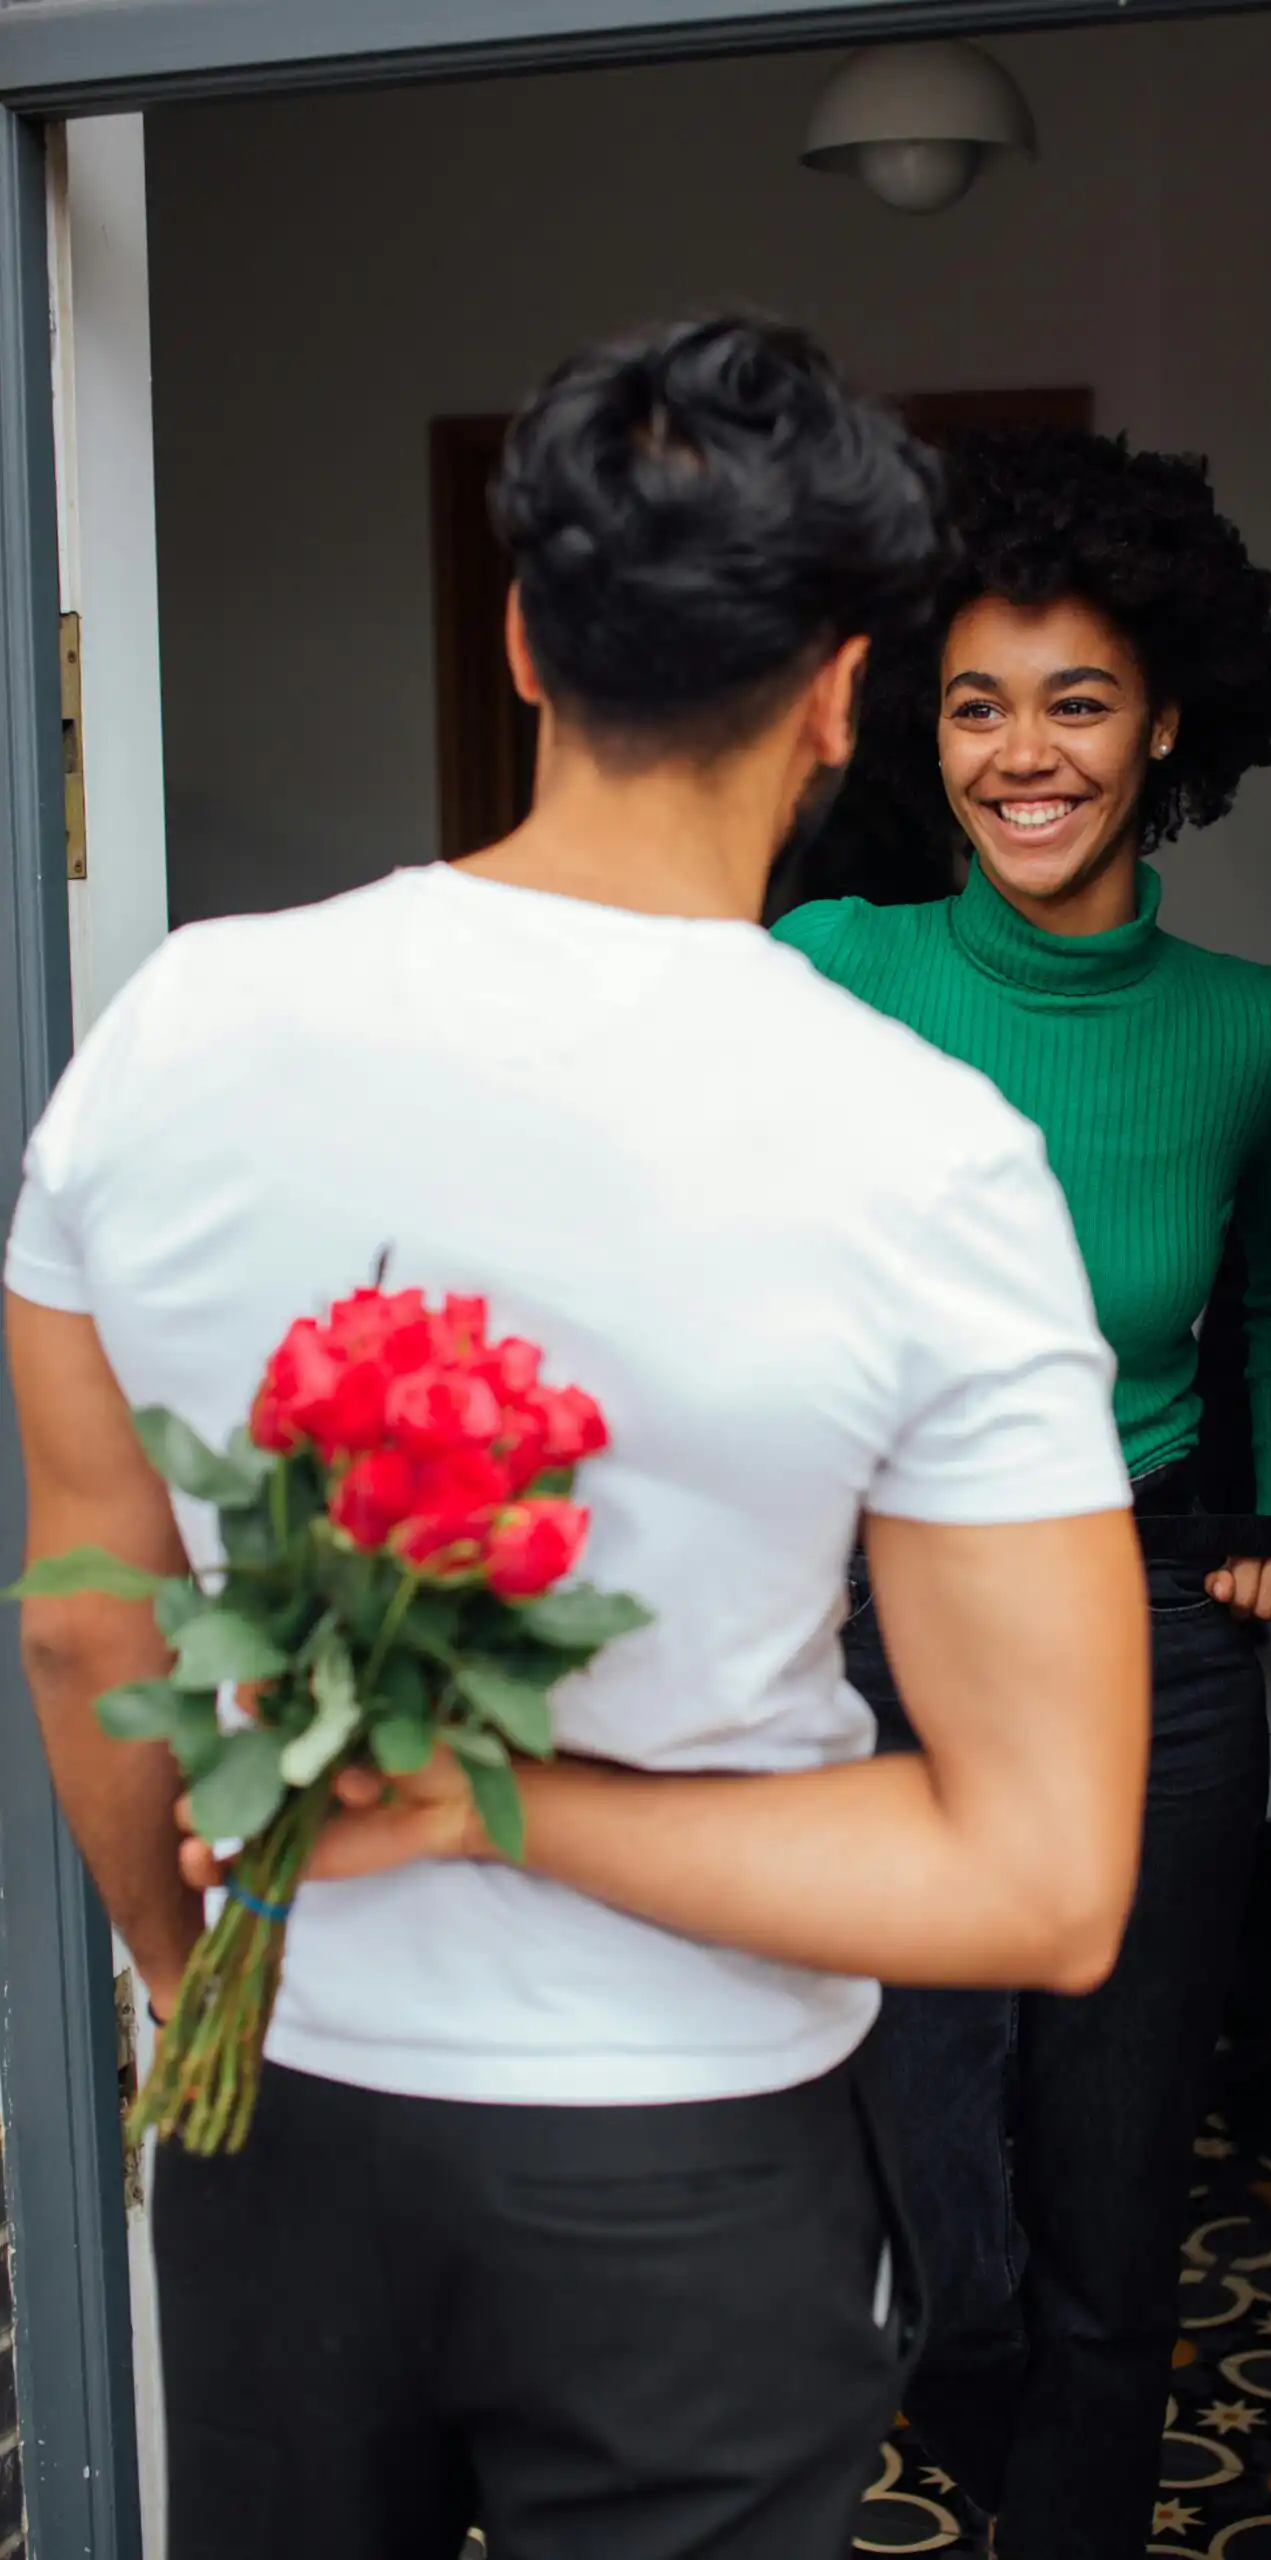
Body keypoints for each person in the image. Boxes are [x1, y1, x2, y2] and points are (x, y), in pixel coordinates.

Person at [4, 323, 1152, 2560]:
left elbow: (81, 1618)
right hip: (687, 2160)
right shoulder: (920, 1151)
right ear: (841, 692)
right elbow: (1042, 1878)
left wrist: (183, 1974)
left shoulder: (179, 1025)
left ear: (525, 637)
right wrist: (502, 1800)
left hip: (279, 2102)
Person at [773, 427, 1271, 2556]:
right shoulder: (830, 966)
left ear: (1164, 718)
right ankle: (970, 2397)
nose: (1024, 755)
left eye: (1077, 699)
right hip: (873, 1646)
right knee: (927, 2194)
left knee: (1117, 2219)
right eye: (978, 700)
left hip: (1153, 1656)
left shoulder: (1253, 1034)